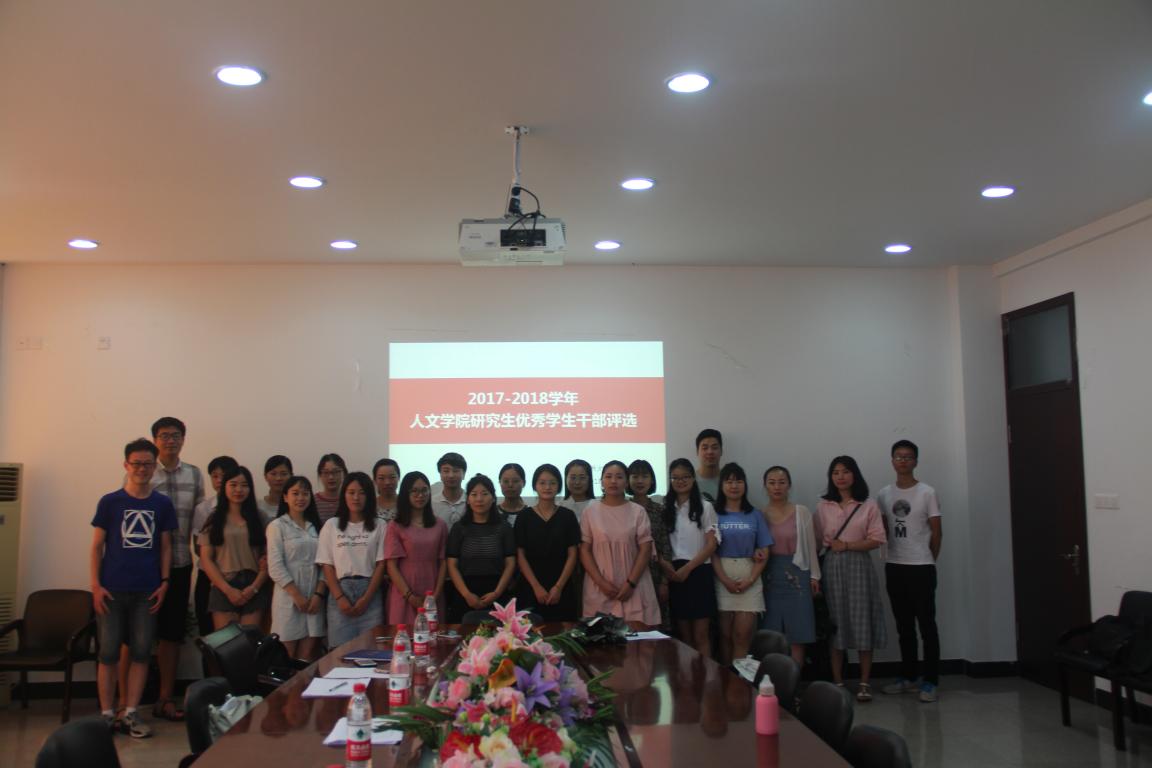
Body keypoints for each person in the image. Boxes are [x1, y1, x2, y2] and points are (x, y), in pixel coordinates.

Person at [91, 438, 176, 739]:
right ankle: (106, 715)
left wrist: (164, 583)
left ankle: (131, 713)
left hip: (147, 591)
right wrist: (95, 586)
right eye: (136, 463)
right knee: (108, 653)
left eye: (147, 464)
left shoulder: (162, 504)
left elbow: (166, 547)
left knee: (141, 653)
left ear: (155, 467)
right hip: (111, 590)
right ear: (126, 465)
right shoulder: (109, 502)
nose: (142, 469)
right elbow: (97, 546)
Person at [816, 455, 887, 703]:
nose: (841, 477)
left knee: (862, 620)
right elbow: (817, 541)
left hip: (859, 565)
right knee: (836, 623)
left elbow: (877, 539)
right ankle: (837, 682)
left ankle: (864, 682)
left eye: (845, 471)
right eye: (835, 472)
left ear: (854, 474)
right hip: (832, 566)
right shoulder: (823, 506)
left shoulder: (868, 505)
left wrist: (847, 545)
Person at [146, 416, 203, 723]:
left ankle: (165, 698)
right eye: (164, 435)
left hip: (180, 562)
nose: (170, 440)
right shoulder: (144, 471)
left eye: (176, 435)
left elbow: (200, 523)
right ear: (155, 440)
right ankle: (126, 702)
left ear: (183, 439)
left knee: (171, 634)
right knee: (136, 635)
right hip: (143, 566)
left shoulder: (194, 474)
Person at [877, 440, 943, 703]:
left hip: (921, 567)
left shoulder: (927, 492)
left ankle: (931, 681)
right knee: (903, 626)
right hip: (895, 566)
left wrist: (928, 558)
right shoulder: (884, 494)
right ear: (892, 461)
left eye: (908, 457)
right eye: (898, 456)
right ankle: (908, 676)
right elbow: (882, 529)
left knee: (926, 625)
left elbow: (937, 532)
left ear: (916, 461)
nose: (903, 461)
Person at [579, 460, 661, 626]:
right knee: (599, 639)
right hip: (599, 586)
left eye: (619, 477)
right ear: (601, 482)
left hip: (634, 585)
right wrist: (602, 583)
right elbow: (584, 550)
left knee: (639, 639)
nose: (613, 481)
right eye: (608, 476)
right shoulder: (590, 511)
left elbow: (645, 549)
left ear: (626, 482)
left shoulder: (638, 511)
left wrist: (631, 583)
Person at [316, 471, 387, 647]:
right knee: (340, 653)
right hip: (340, 592)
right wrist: (340, 598)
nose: (356, 498)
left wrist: (366, 598)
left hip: (370, 593)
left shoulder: (380, 525)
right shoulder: (331, 525)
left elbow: (381, 565)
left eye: (362, 493)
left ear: (369, 496)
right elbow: (327, 565)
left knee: (371, 650)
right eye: (351, 492)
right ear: (344, 495)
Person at [712, 463, 773, 664]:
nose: (734, 486)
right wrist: (724, 579)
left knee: (742, 635)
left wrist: (751, 579)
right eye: (729, 481)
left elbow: (764, 550)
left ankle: (740, 679)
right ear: (721, 485)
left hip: (749, 574)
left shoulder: (755, 514)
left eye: (738, 481)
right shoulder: (713, 513)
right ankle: (726, 676)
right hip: (721, 574)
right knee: (725, 636)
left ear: (745, 485)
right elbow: (711, 551)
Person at [761, 465, 821, 667]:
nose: (777, 487)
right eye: (772, 483)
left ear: (789, 485)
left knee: (798, 634)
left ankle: (794, 681)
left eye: (781, 482)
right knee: (771, 634)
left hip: (798, 575)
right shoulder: (760, 514)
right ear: (765, 486)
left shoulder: (801, 512)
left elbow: (811, 547)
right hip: (770, 576)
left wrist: (814, 576)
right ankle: (773, 681)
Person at [198, 466, 271, 630]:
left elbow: (269, 557)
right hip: (224, 583)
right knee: (228, 643)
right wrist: (228, 590)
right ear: (224, 487)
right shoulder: (214, 519)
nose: (239, 490)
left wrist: (254, 588)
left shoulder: (260, 518)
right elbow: (206, 559)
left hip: (254, 584)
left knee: (250, 641)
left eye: (244, 485)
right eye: (233, 485)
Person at [662, 458, 719, 657]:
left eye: (685, 477)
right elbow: (660, 543)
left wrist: (688, 569)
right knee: (684, 636)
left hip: (699, 571)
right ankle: (687, 676)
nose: (680, 481)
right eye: (675, 478)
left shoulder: (705, 507)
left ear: (693, 479)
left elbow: (711, 545)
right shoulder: (665, 507)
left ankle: (706, 675)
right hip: (674, 573)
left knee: (701, 634)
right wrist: (668, 568)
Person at [266, 476, 326, 660]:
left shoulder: (316, 527)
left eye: (305, 494)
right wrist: (297, 596)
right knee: (287, 655)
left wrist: (318, 595)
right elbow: (275, 566)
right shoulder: (277, 526)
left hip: (314, 599)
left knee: (306, 658)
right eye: (295, 493)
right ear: (285, 497)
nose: (301, 498)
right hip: (288, 597)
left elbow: (325, 563)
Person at [446, 474, 516, 622]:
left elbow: (510, 563)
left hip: (497, 591)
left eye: (484, 494)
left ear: (493, 498)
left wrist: (496, 593)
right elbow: (452, 564)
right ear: (468, 500)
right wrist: (466, 595)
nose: (479, 499)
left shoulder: (503, 527)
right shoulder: (459, 528)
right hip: (465, 592)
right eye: (474, 494)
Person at [515, 464, 581, 621]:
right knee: (528, 633)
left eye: (552, 483)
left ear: (559, 486)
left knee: (564, 633)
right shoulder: (524, 516)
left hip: (562, 587)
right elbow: (520, 555)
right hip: (530, 587)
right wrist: (536, 587)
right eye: (542, 483)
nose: (547, 487)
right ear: (535, 486)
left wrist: (558, 587)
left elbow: (572, 554)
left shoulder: (568, 516)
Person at [384, 471, 449, 625]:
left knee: (433, 636)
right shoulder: (395, 526)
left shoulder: (440, 525)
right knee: (403, 635)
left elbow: (443, 562)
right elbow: (391, 566)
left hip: (432, 590)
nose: (420, 495)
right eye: (414, 491)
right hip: (404, 592)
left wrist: (435, 595)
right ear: (405, 494)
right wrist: (409, 596)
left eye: (424, 490)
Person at [191, 456, 239, 638]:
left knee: (237, 635)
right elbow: (197, 546)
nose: (219, 480)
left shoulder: (248, 509)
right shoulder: (203, 509)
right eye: (215, 476)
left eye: (224, 475)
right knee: (209, 632)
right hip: (208, 575)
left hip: (238, 576)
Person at [627, 459, 674, 630]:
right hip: (628, 574)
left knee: (655, 627)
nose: (640, 481)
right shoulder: (623, 508)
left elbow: (665, 546)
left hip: (654, 574)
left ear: (652, 480)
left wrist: (664, 582)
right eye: (635, 476)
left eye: (644, 476)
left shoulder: (659, 510)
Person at [431, 452, 468, 526]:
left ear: (464, 474)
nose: (451, 475)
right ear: (440, 474)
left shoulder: (471, 502)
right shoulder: (431, 503)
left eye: (455, 471)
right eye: (446, 471)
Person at [259, 455, 294, 525]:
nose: (278, 478)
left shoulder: (297, 505)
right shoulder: (258, 507)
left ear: (291, 476)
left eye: (284, 474)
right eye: (273, 474)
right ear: (265, 476)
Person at [314, 453, 347, 524]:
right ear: (320, 475)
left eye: (336, 472)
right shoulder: (312, 501)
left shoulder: (349, 500)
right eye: (326, 472)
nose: (331, 477)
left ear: (344, 473)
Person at [694, 428, 723, 503]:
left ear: (721, 451)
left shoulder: (730, 482)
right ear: (697, 452)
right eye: (705, 448)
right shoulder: (689, 482)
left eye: (714, 448)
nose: (710, 452)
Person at [497, 462, 531, 527]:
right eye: (506, 481)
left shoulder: (531, 513)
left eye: (515, 481)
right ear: (500, 483)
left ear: (524, 483)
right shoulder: (493, 513)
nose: (510, 485)